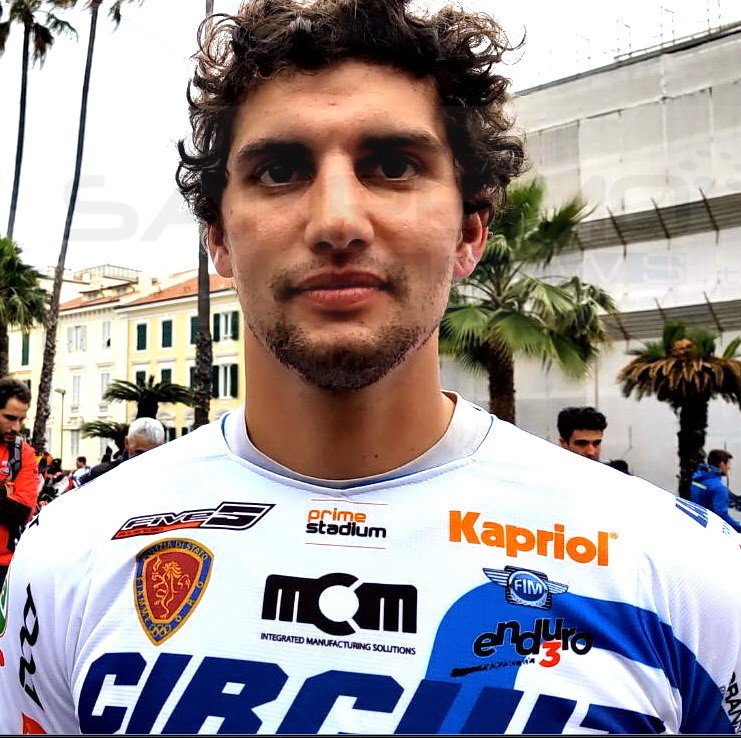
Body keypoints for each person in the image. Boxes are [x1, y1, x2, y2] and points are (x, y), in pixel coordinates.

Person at [1, 1, 740, 733]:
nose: (337, 222)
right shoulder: (71, 550)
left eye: (392, 165)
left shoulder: (685, 575)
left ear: (469, 231)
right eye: (280, 169)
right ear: (218, 237)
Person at [0, 377, 38, 588]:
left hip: (5, 566)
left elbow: (23, 512)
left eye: (21, 420)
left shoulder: (23, 453)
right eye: (9, 418)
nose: (16, 427)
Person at [83, 417, 166, 484]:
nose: (147, 461)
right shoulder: (100, 475)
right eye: (140, 455)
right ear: (127, 442)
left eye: (154, 454)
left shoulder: (169, 475)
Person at [690, 449, 741, 533]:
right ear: (722, 464)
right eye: (728, 464)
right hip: (709, 531)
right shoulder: (718, 488)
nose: (729, 468)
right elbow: (722, 516)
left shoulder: (697, 479)